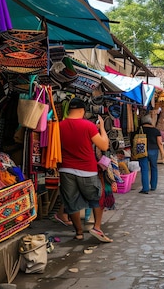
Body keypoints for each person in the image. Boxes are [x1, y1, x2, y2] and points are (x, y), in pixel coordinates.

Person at [58, 98, 112, 242]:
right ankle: (97, 227)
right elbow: (104, 146)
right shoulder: (88, 126)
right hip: (87, 169)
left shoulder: (59, 126)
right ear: (82, 110)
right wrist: (101, 128)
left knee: (72, 202)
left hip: (66, 170)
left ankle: (79, 232)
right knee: (96, 198)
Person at [135, 115, 164, 194]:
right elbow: (160, 143)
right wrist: (163, 153)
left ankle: (145, 188)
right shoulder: (156, 130)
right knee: (154, 168)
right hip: (154, 151)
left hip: (142, 150)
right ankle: (153, 186)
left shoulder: (139, 129)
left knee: (144, 169)